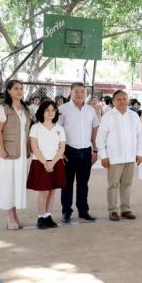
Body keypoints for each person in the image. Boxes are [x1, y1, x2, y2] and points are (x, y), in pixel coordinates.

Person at [96, 90, 142, 221]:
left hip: (130, 157)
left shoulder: (134, 115)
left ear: (127, 100)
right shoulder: (108, 116)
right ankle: (113, 210)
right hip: (114, 158)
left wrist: (139, 153)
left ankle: (125, 209)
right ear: (113, 102)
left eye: (124, 99)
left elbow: (140, 135)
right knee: (113, 185)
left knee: (127, 184)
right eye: (119, 99)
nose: (122, 101)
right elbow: (100, 138)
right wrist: (103, 156)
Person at [0, 80, 31, 230]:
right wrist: (1, 149)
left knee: (16, 183)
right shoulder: (4, 108)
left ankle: (15, 214)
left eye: (21, 88)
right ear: (8, 91)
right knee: (8, 183)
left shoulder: (25, 109)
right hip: (7, 153)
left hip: (21, 153)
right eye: (16, 88)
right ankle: (9, 216)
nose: (19, 91)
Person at [57, 82, 99, 223]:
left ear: (86, 93)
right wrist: (60, 150)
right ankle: (66, 212)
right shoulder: (62, 109)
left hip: (86, 151)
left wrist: (95, 149)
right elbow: (57, 130)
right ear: (71, 92)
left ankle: (83, 211)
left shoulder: (90, 110)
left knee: (83, 183)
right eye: (76, 91)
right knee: (67, 184)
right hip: (69, 151)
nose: (80, 93)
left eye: (82, 91)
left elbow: (94, 129)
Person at [27, 100, 66, 229]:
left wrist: (53, 162)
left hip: (56, 163)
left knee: (52, 191)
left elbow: (61, 148)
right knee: (43, 192)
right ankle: (41, 217)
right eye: (47, 110)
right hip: (40, 163)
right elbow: (35, 148)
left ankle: (48, 216)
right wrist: (45, 163)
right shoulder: (36, 127)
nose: (50, 112)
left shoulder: (59, 128)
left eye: (53, 110)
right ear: (41, 112)